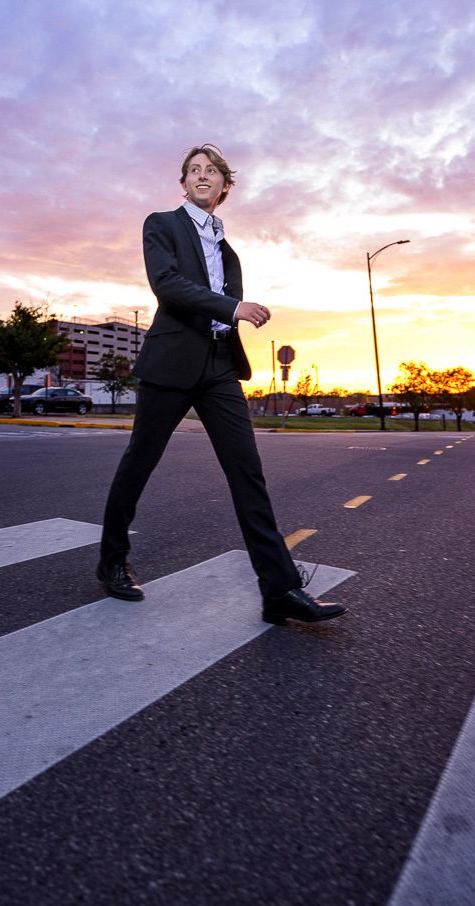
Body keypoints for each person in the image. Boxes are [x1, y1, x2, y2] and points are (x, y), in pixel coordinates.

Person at [96, 143, 347, 627]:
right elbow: (167, 285)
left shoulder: (227, 249)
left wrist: (230, 320)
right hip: (171, 363)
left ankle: (280, 591)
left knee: (247, 472)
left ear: (225, 186)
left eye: (211, 171)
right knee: (139, 464)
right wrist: (233, 308)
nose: (202, 176)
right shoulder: (161, 225)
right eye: (193, 170)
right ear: (184, 183)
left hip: (218, 368)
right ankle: (111, 561)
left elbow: (215, 296)